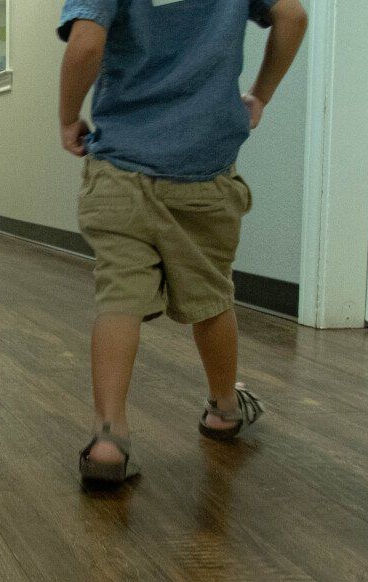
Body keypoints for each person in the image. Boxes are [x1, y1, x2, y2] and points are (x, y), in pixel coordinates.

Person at [59, 0, 307, 483]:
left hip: (120, 169)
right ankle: (224, 408)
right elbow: (293, 16)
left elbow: (87, 43)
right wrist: (261, 94)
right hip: (205, 170)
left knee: (119, 298)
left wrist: (69, 116)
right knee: (212, 295)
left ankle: (109, 437)